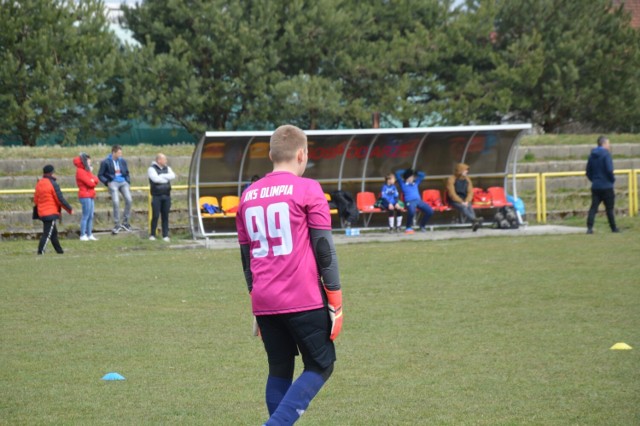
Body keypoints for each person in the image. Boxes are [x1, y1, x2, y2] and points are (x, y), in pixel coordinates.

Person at [236, 124, 343, 425]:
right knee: (321, 365)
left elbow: (247, 258)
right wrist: (335, 298)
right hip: (303, 296)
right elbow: (324, 249)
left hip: (264, 298)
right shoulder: (308, 188)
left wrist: (254, 301)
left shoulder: (247, 195)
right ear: (301, 154)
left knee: (279, 368)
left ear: (271, 154)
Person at [34, 165, 73, 254]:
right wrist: (69, 209)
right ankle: (40, 251)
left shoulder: (39, 183)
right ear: (51, 173)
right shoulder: (52, 184)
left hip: (42, 212)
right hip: (50, 212)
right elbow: (59, 199)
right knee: (47, 234)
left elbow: (36, 200)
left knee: (53, 234)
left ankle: (59, 251)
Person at [586, 135, 620, 234]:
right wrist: (612, 180)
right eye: (608, 143)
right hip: (607, 186)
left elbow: (588, 171)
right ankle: (613, 228)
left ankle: (589, 228)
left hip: (596, 186)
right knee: (609, 209)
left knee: (593, 207)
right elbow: (609, 170)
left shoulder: (592, 155)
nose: (609, 146)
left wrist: (594, 180)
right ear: (604, 144)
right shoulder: (606, 155)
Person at [98, 144, 132, 234]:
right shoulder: (105, 162)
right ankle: (117, 224)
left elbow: (127, 172)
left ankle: (125, 222)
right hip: (113, 182)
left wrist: (127, 181)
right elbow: (100, 175)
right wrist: (107, 182)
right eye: (119, 153)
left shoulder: (123, 161)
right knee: (116, 202)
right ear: (114, 152)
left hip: (123, 182)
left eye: (121, 153)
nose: (121, 154)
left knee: (129, 200)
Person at [446, 163, 483, 232]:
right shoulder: (451, 179)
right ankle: (474, 220)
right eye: (465, 170)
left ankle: (474, 222)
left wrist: (467, 201)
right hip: (454, 200)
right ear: (460, 170)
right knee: (463, 207)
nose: (467, 172)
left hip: (465, 199)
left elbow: (470, 192)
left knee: (469, 206)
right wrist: (461, 202)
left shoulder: (467, 179)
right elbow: (452, 193)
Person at [148, 153, 176, 242]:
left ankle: (165, 235)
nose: (166, 161)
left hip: (167, 195)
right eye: (164, 159)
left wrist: (162, 176)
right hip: (156, 196)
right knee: (155, 215)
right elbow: (155, 179)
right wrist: (165, 178)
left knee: (165, 216)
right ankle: (152, 234)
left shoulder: (168, 168)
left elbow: (172, 176)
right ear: (159, 160)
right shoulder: (151, 169)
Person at [395, 168, 433, 233]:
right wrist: (406, 171)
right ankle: (408, 227)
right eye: (410, 177)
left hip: (418, 201)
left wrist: (415, 172)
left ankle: (422, 225)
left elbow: (422, 175)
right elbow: (397, 173)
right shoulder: (402, 184)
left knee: (430, 211)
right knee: (412, 212)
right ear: (407, 178)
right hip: (409, 202)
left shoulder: (415, 183)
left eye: (412, 177)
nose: (412, 178)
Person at [73, 153, 100, 241]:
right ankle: (82, 234)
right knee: (86, 215)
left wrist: (93, 179)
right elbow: (90, 183)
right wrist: (92, 180)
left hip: (90, 194)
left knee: (91, 215)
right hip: (85, 195)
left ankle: (89, 234)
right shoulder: (80, 171)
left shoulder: (87, 171)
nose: (90, 161)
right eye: (88, 160)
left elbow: (95, 179)